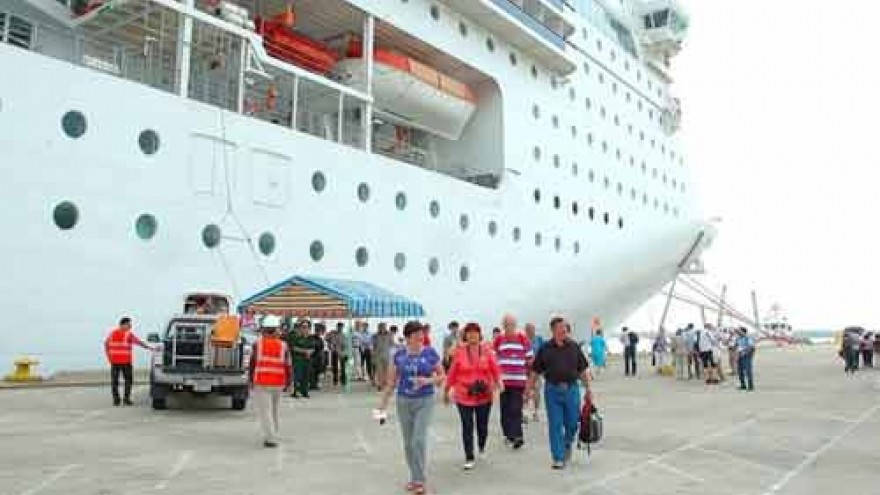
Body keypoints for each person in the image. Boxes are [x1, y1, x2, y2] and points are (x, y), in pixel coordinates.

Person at [377, 321, 445, 495]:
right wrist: (381, 407)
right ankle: (415, 477)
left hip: (425, 400)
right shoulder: (398, 355)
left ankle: (419, 481)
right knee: (408, 444)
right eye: (416, 335)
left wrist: (427, 380)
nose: (420, 337)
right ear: (408, 337)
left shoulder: (430, 353)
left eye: (421, 334)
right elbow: (391, 383)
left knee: (418, 440)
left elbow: (442, 376)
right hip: (404, 401)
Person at [527, 317, 591, 470]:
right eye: (561, 328)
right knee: (555, 424)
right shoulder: (545, 348)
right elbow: (535, 371)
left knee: (573, 422)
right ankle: (558, 457)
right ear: (553, 330)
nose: (564, 330)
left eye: (565, 328)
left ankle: (567, 443)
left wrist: (588, 389)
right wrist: (528, 389)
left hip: (572, 390)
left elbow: (582, 370)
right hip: (552, 390)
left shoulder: (574, 347)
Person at [444, 323, 502, 470]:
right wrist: (446, 391)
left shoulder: (487, 351)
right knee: (467, 426)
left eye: (475, 333)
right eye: (469, 333)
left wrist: (499, 384)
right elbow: (452, 373)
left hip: (484, 394)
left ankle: (481, 445)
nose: (472, 336)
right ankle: (469, 456)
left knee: (482, 426)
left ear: (479, 335)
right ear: (465, 336)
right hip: (463, 394)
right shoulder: (460, 352)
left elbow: (495, 370)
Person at [248, 315, 292, 448]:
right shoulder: (284, 345)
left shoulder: (257, 344)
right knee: (274, 410)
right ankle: (273, 433)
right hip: (278, 382)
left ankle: (271, 438)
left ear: (264, 330)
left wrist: (250, 380)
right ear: (276, 329)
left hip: (262, 382)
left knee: (265, 412)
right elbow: (288, 365)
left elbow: (252, 363)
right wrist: (290, 383)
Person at [493, 314, 532, 449]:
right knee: (505, 409)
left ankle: (518, 436)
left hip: (519, 381)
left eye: (511, 324)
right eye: (506, 324)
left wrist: (529, 381)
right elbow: (493, 360)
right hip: (503, 382)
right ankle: (508, 434)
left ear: (515, 325)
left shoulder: (522, 339)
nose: (509, 327)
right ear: (503, 326)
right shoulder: (499, 340)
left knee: (516, 408)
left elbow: (529, 360)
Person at [104, 317, 153, 406]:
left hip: (115, 362)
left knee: (115, 382)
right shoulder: (128, 334)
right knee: (128, 381)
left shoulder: (112, 334)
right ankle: (126, 400)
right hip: (125, 362)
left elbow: (106, 345)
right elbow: (139, 342)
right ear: (123, 324)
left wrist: (109, 357)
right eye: (129, 324)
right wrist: (150, 348)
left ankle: (116, 401)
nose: (130, 326)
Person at [289, 320, 315, 398]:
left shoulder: (311, 338)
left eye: (307, 327)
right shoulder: (296, 337)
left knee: (306, 376)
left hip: (307, 360)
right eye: (303, 327)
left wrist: (310, 352)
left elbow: (313, 348)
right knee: (298, 376)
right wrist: (305, 351)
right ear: (300, 328)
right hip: (298, 360)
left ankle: (305, 391)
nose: (305, 329)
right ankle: (296, 392)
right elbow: (293, 348)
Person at [525, 323, 545, 421]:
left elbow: (544, 352)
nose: (530, 331)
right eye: (528, 329)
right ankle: (525, 413)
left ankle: (535, 412)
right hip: (525, 371)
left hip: (537, 370)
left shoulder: (539, 339)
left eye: (532, 329)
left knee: (537, 391)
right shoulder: (523, 340)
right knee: (526, 392)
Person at [373, 322, 395, 390]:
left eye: (383, 327)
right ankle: (380, 384)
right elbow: (373, 345)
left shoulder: (389, 334)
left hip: (387, 355)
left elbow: (392, 344)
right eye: (380, 327)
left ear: (385, 327)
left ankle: (385, 383)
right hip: (378, 355)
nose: (382, 328)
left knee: (386, 370)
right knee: (379, 371)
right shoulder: (375, 336)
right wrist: (373, 353)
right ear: (378, 328)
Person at [328, 322, 348, 387]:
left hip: (342, 353)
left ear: (342, 327)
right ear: (337, 327)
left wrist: (343, 353)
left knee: (343, 367)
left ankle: (343, 381)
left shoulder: (344, 335)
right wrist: (331, 346)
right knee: (335, 367)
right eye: (339, 327)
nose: (340, 328)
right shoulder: (333, 333)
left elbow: (345, 345)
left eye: (341, 327)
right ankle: (335, 380)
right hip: (334, 352)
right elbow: (330, 342)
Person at [310, 323, 327, 391]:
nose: (318, 332)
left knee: (317, 371)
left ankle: (315, 384)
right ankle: (312, 384)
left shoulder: (320, 339)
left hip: (318, 357)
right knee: (312, 372)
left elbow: (322, 348)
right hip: (313, 357)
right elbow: (312, 346)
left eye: (319, 331)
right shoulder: (312, 338)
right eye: (317, 331)